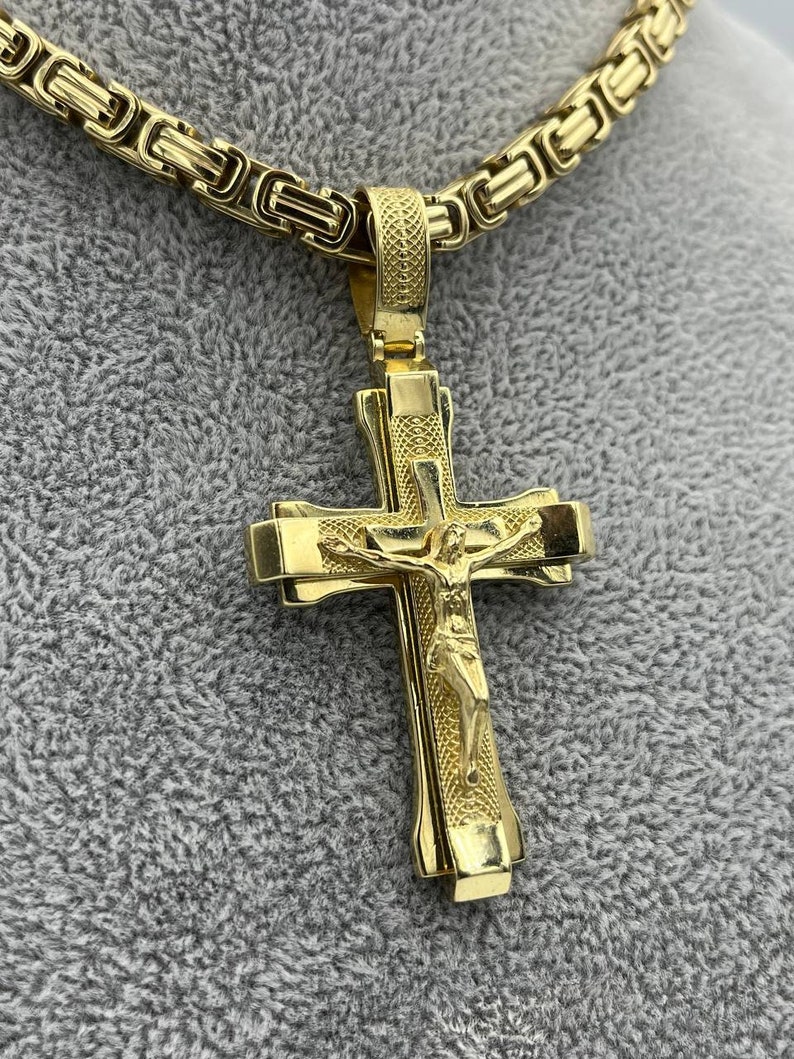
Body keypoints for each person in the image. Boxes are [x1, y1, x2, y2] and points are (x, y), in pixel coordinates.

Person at [323, 512, 543, 787]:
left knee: (482, 700)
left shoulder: (468, 565)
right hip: (447, 641)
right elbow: (387, 559)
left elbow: (500, 549)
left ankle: (470, 758)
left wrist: (525, 531)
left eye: (460, 538)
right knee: (473, 697)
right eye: (452, 537)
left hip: (467, 641)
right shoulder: (432, 567)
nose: (456, 542)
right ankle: (469, 764)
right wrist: (350, 550)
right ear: (441, 540)